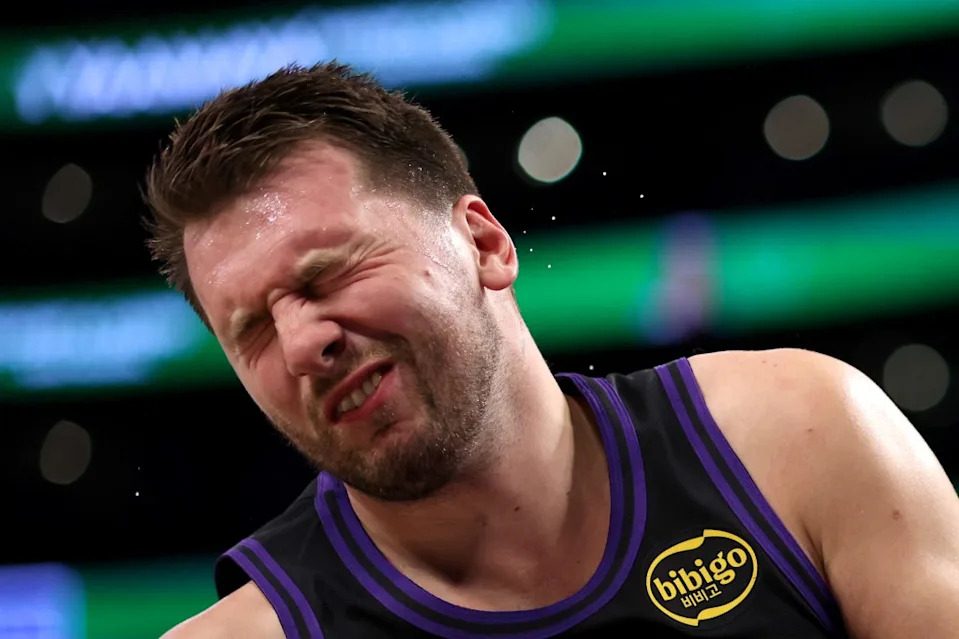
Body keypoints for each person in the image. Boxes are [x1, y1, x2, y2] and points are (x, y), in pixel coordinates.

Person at [146, 62, 959, 638]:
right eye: (250, 328)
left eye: (328, 274)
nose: (300, 344)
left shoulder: (797, 438)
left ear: (484, 242)